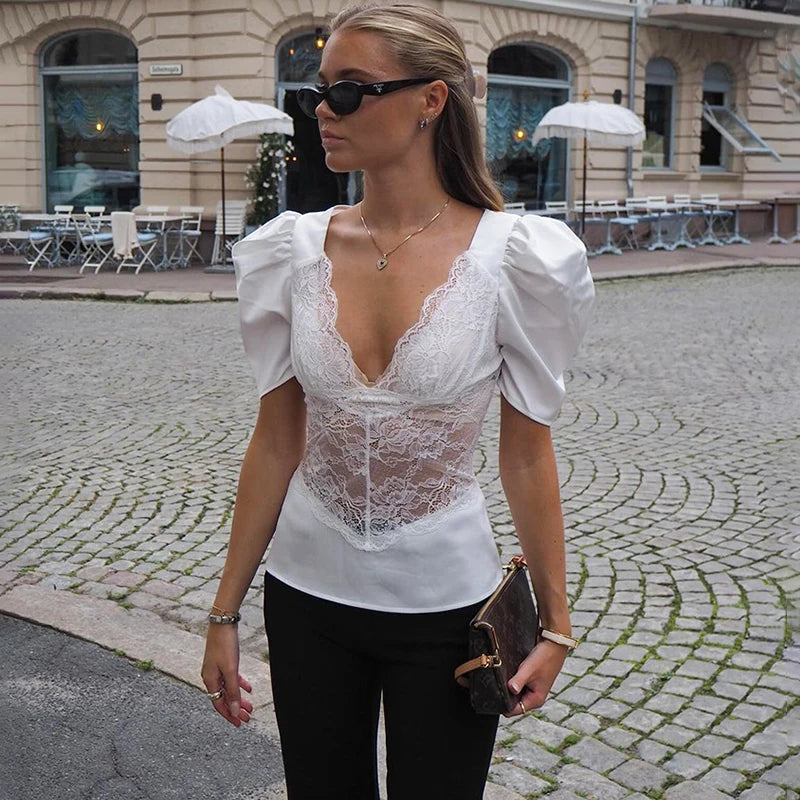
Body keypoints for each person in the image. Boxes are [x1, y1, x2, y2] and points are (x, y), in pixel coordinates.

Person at [201, 4, 595, 798]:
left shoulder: (515, 259)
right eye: (320, 89)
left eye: (351, 90)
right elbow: (276, 438)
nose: (322, 109)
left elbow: (526, 451)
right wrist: (223, 613)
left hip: (447, 609)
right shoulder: (292, 250)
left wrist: (555, 624)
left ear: (430, 100)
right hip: (306, 598)